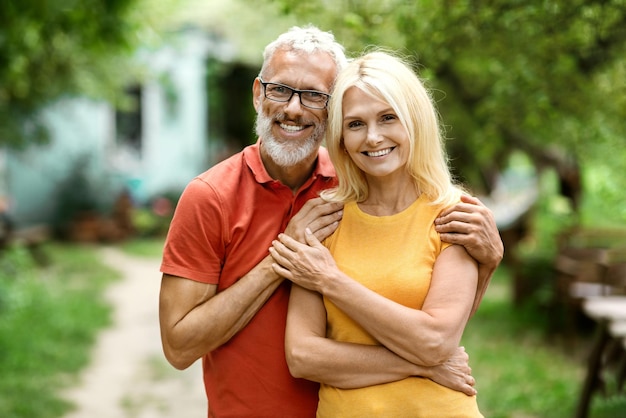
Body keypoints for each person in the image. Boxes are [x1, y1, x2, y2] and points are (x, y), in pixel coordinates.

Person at [159, 25, 503, 418]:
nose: (293, 108)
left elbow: (436, 322)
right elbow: (179, 346)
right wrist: (281, 259)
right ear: (258, 93)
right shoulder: (211, 196)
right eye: (280, 89)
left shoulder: (359, 186)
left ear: (332, 108)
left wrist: (488, 262)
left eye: (313, 96)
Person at [270, 50, 484, 416]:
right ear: (340, 138)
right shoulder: (324, 219)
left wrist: (329, 280)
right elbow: (303, 357)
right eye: (355, 124)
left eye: (388, 118)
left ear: (415, 121)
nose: (372, 137)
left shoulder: (455, 214)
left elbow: (435, 340)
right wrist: (421, 363)